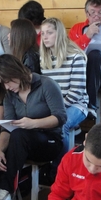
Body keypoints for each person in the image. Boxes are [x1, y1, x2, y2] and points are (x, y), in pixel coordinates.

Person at [0, 54, 66, 199]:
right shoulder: (9, 95)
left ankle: (5, 190)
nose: (7, 87)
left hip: (50, 141)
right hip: (22, 142)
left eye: (7, 82)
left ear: (15, 72)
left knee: (19, 135)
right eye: (3, 84)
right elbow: (7, 126)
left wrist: (33, 123)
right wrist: (0, 149)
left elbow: (60, 117)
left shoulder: (46, 84)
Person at [40, 17, 89, 158]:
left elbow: (76, 92)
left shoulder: (76, 56)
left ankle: (61, 166)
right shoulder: (44, 58)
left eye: (49, 32)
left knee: (62, 124)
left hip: (76, 104)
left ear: (59, 34)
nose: (45, 37)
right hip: (54, 106)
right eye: (42, 33)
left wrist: (56, 110)